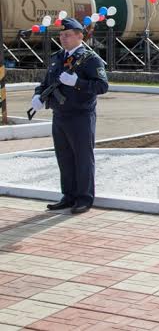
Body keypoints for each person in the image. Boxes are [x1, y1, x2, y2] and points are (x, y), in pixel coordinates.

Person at [31, 17, 108, 214]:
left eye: (67, 35)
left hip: (81, 116)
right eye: (61, 35)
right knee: (64, 157)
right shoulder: (58, 57)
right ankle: (69, 195)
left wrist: (77, 83)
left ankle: (84, 198)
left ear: (80, 36)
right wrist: (38, 96)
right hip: (60, 115)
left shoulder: (91, 59)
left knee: (82, 157)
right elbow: (45, 82)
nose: (63, 38)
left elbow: (102, 86)